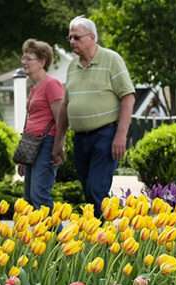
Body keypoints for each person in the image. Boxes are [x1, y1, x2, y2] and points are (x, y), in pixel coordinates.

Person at [53, 16, 135, 218]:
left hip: (105, 135)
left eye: (76, 37)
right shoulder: (72, 67)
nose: (72, 42)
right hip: (80, 138)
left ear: (92, 37)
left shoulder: (111, 60)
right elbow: (65, 105)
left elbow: (128, 97)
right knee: (89, 191)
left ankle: (101, 237)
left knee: (95, 189)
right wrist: (59, 140)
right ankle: (101, 236)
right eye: (70, 37)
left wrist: (121, 135)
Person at [17, 39, 64, 211]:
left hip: (47, 144)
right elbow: (29, 120)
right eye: (23, 58)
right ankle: (41, 237)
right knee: (29, 197)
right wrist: (23, 157)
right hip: (31, 145)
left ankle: (58, 237)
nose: (24, 62)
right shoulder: (34, 88)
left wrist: (58, 147)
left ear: (42, 61)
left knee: (40, 195)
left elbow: (61, 118)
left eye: (29, 58)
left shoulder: (52, 85)